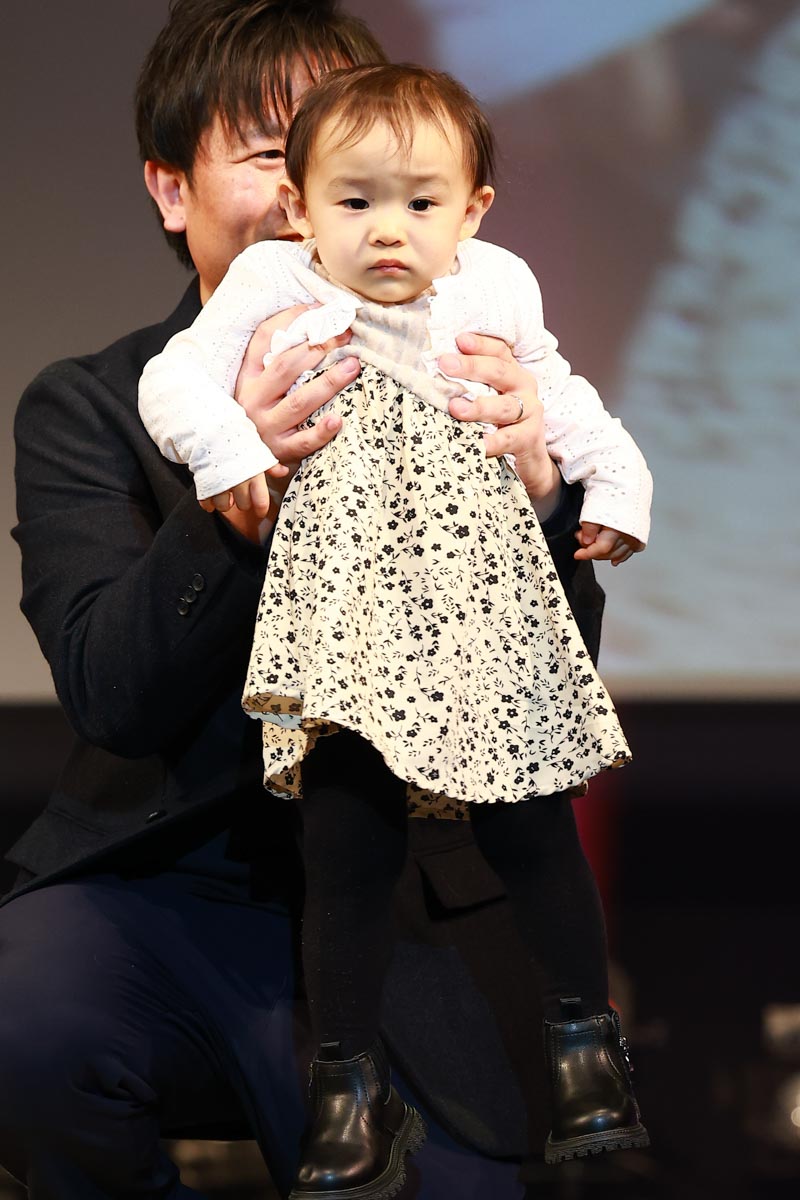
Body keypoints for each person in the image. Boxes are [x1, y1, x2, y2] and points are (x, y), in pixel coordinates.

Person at [3, 3, 625, 1198]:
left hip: (407, 898)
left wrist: (544, 496)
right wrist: (242, 490)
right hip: (168, 881)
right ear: (171, 190)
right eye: (270, 155)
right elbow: (112, 696)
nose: (316, 197)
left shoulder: (469, 366)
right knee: (25, 1031)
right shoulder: (97, 403)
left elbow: (555, 668)